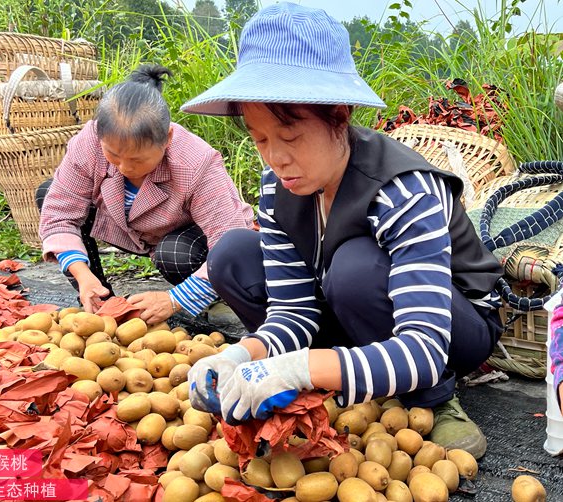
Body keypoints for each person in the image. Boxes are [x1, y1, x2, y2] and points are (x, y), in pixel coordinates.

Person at [182, 3, 503, 460]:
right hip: (350, 307)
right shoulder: (278, 189)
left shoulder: (404, 191)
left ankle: (434, 400)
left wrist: (297, 368)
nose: (275, 158)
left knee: (354, 269)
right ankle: (347, 371)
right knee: (232, 254)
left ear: (339, 115)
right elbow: (293, 311)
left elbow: (425, 346)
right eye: (259, 138)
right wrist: (242, 355)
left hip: (449, 329)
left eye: (289, 138)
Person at [38, 64, 255, 326]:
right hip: (125, 227)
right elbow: (60, 213)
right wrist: (82, 274)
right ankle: (98, 298)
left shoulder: (197, 162)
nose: (125, 168)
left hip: (187, 237)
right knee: (49, 192)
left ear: (168, 138)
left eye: (137, 159)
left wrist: (175, 299)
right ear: (99, 135)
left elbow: (228, 243)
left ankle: (208, 293)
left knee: (175, 253)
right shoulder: (89, 144)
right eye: (113, 156)